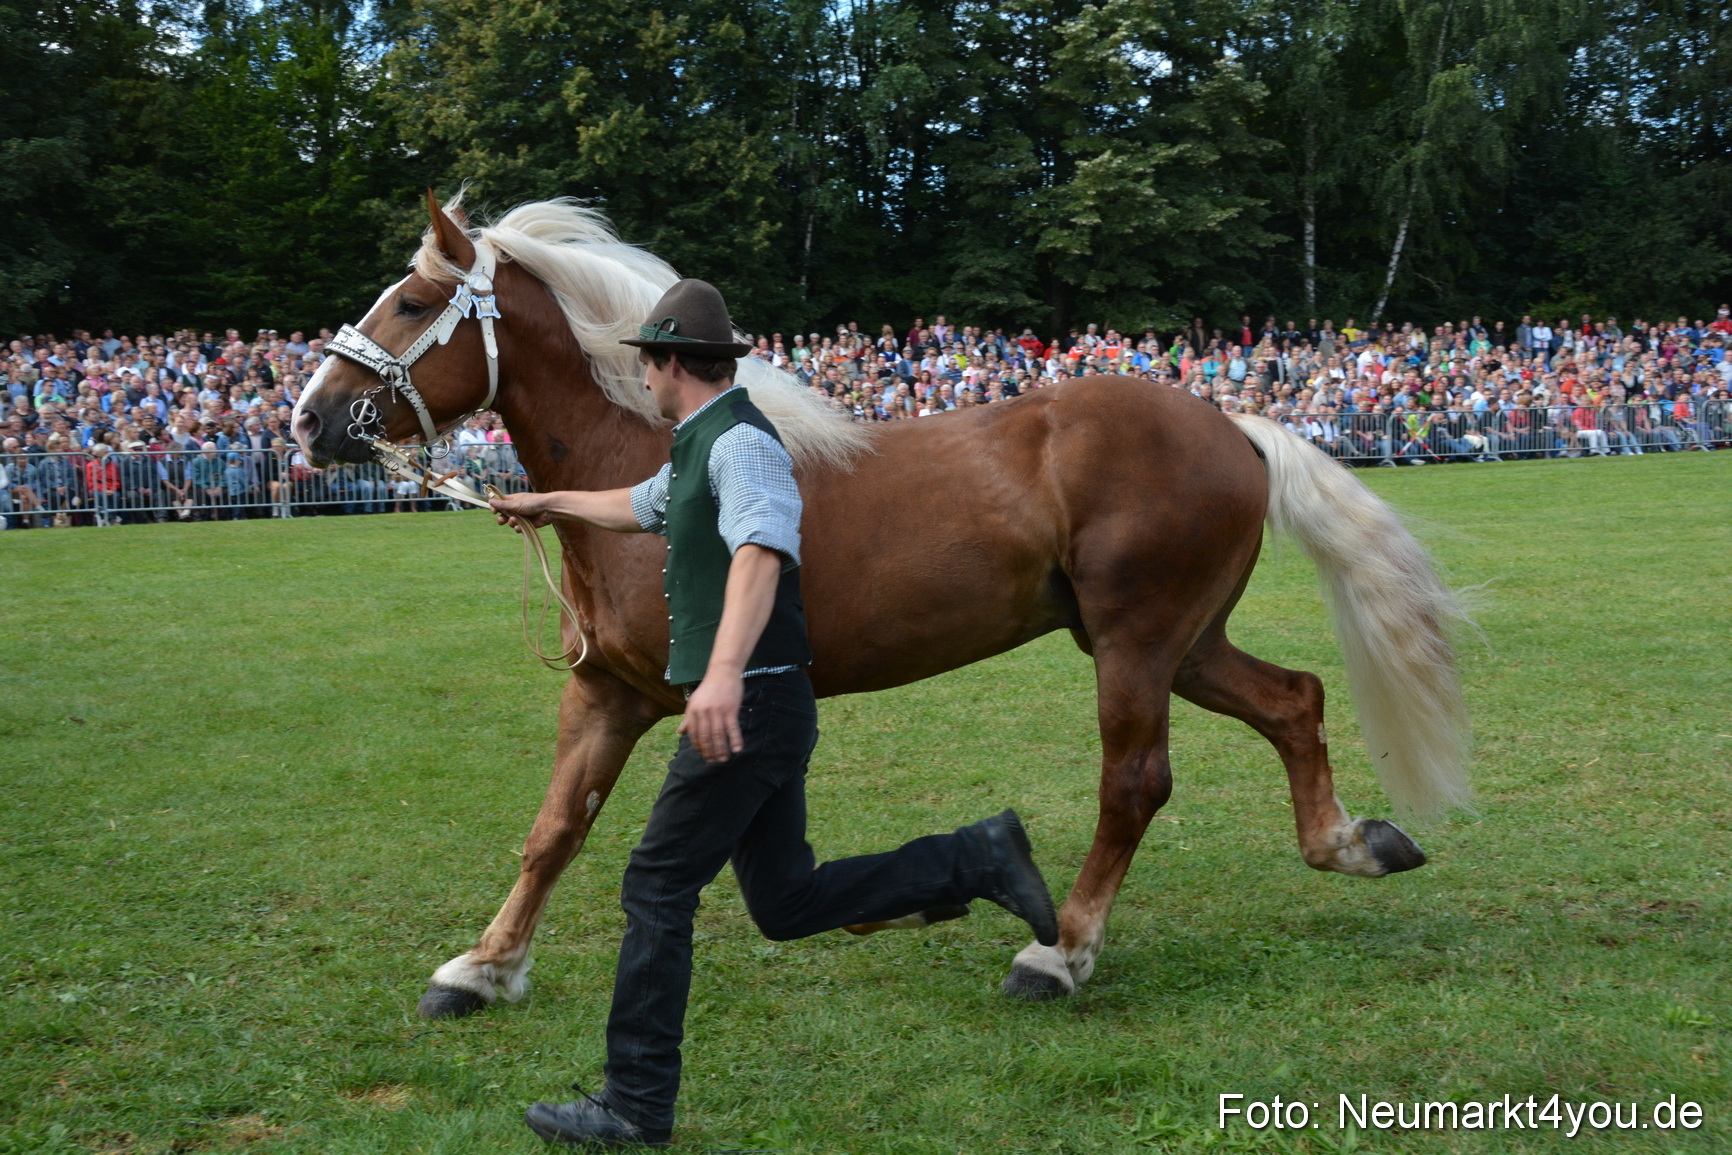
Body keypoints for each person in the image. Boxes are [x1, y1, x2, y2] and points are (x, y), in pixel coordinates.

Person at [489, 279, 1060, 1149]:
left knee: (655, 884)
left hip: (747, 703)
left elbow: (761, 549)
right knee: (784, 901)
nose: (641, 375)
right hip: (766, 704)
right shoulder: (698, 444)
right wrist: (547, 502)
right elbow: (641, 508)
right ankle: (975, 856)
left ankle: (633, 1104)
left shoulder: (742, 446)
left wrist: (718, 677)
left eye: (646, 360)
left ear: (669, 362)